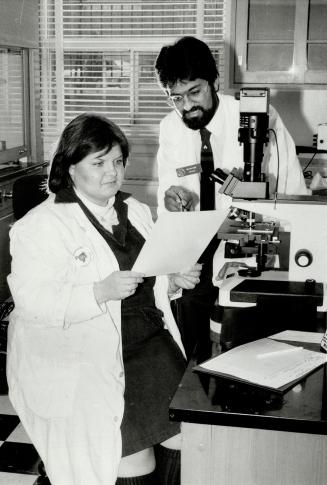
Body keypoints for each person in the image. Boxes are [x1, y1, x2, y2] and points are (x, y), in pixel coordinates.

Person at [6, 113, 202, 485]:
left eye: (117, 161)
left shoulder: (138, 211)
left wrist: (172, 279)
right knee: (132, 462)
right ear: (70, 167)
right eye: (98, 163)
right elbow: (33, 302)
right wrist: (98, 292)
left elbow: (151, 280)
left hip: (150, 345)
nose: (112, 172)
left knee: (188, 441)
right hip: (86, 355)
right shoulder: (40, 226)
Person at [154, 36, 309, 361]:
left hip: (253, 232)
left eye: (194, 92)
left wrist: (252, 192)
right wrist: (172, 200)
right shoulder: (170, 128)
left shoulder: (259, 118)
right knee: (193, 323)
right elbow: (168, 196)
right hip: (200, 238)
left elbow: (291, 194)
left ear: (215, 82)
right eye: (175, 98)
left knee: (246, 324)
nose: (185, 107)